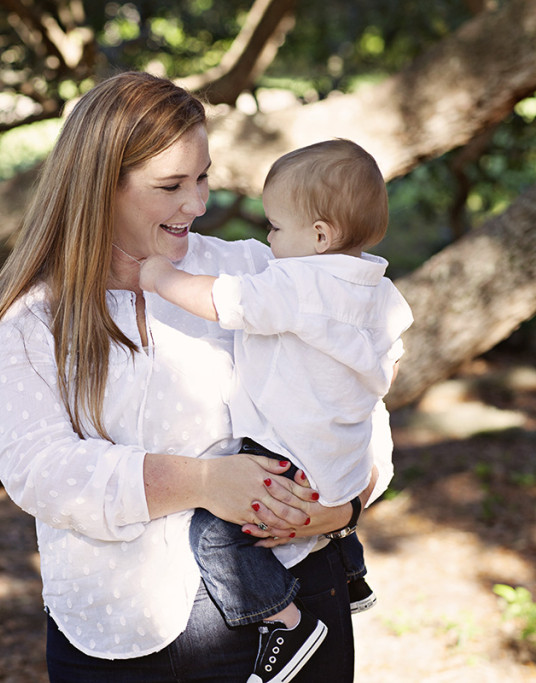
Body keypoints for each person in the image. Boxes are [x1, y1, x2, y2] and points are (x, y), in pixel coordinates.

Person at [0, 71, 389, 683]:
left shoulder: (252, 273)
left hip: (296, 599)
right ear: (100, 187)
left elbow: (358, 397)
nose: (198, 204)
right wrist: (199, 482)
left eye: (204, 177)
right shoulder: (36, 317)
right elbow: (39, 469)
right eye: (171, 185)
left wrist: (346, 505)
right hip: (116, 631)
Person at [139, 138, 413, 681]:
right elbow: (393, 360)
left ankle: (284, 623)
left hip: (283, 452)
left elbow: (226, 302)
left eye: (275, 227)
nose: (268, 239)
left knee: (214, 535)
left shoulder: (296, 281)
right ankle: (351, 571)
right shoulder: (378, 288)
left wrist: (157, 278)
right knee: (323, 518)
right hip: (341, 457)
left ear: (319, 235)